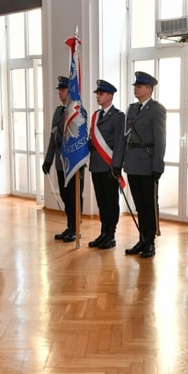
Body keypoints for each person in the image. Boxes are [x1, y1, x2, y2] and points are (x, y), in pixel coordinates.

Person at [116, 72, 166, 259]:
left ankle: (150, 242)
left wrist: (158, 166)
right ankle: (142, 239)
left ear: (149, 89)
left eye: (139, 86)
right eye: (135, 86)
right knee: (138, 205)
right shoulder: (132, 109)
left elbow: (160, 139)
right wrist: (119, 163)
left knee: (149, 205)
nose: (136, 88)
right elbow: (125, 138)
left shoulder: (156, 109)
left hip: (147, 163)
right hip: (133, 163)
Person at [42, 76, 84, 243]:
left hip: (73, 162)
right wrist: (48, 160)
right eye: (59, 89)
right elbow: (53, 138)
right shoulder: (59, 112)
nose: (60, 92)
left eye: (63, 89)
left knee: (75, 197)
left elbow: (81, 139)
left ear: (71, 91)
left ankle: (76, 229)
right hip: (61, 161)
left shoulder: (78, 112)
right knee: (66, 196)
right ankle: (70, 226)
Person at [88, 79, 125, 249]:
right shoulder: (96, 115)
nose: (98, 96)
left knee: (111, 202)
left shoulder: (118, 117)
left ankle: (111, 235)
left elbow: (119, 143)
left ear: (110, 96)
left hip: (109, 166)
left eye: (101, 94)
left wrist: (116, 166)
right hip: (96, 165)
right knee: (101, 202)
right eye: (97, 93)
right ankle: (103, 233)